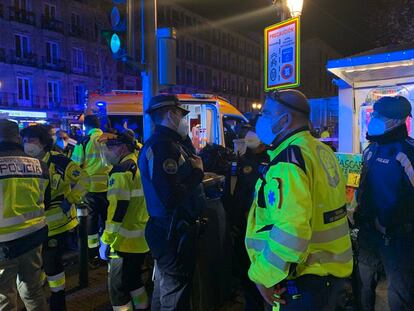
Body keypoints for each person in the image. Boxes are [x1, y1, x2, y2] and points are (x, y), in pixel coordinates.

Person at [245, 90, 353, 310]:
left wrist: (262, 276)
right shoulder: (322, 151)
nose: (260, 119)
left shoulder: (287, 162)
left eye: (266, 113)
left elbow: (290, 232)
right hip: (332, 276)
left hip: (303, 281)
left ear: (284, 120)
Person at [138, 94, 206, 311]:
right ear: (171, 115)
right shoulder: (164, 147)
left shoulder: (170, 144)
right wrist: (197, 174)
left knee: (164, 287)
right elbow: (170, 196)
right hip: (172, 231)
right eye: (181, 114)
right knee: (174, 293)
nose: (184, 121)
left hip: (169, 229)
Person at [355, 96, 414, 311]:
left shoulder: (407, 152)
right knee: (363, 286)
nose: (373, 118)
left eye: (379, 115)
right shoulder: (371, 149)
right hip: (368, 234)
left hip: (399, 238)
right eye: (374, 114)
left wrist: (393, 221)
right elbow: (364, 188)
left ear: (397, 120)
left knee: (400, 294)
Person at [20, 124, 86, 310]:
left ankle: (58, 300)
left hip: (57, 225)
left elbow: (84, 180)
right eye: (25, 141)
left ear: (43, 142)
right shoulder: (24, 162)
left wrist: (71, 199)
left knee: (52, 266)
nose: (28, 145)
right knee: (36, 265)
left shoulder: (58, 161)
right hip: (32, 225)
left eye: (32, 140)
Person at [0, 119, 49, 310]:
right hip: (33, 237)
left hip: (4, 243)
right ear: (18, 138)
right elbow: (45, 197)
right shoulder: (40, 165)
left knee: (4, 298)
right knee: (33, 290)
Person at [98, 131, 150, 310]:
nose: (105, 151)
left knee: (118, 290)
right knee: (134, 281)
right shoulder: (139, 163)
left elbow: (117, 211)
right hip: (141, 239)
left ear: (121, 147)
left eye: (108, 147)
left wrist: (106, 240)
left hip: (122, 243)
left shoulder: (121, 171)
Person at [232, 130, 269, 311]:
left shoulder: (272, 159)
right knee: (248, 277)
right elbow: (236, 194)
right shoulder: (241, 160)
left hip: (264, 227)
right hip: (245, 227)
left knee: (266, 276)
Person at [71, 115, 111, 267]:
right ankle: (108, 250)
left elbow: (75, 165)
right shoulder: (108, 139)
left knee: (91, 223)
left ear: (86, 126)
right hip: (110, 187)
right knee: (108, 220)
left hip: (91, 189)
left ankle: (93, 255)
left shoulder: (84, 141)